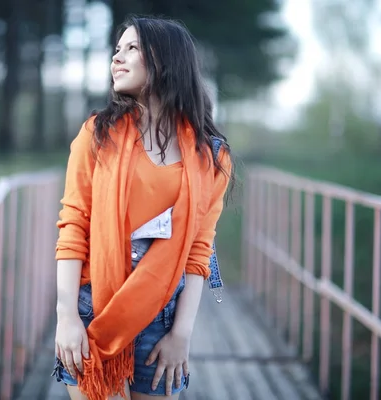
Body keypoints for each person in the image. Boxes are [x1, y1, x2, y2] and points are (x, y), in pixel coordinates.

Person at [52, 15, 234, 400]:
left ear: (166, 61)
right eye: (116, 49)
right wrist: (66, 315)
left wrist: (181, 334)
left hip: (163, 319)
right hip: (94, 311)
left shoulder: (211, 157)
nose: (116, 58)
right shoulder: (97, 135)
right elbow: (73, 226)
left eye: (131, 48)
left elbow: (199, 251)